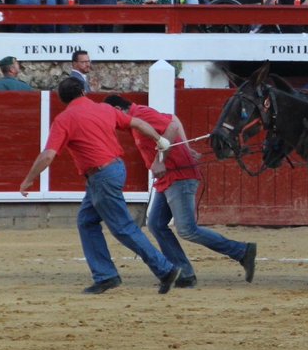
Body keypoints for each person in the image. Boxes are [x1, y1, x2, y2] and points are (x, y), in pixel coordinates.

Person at [18, 77, 181, 295]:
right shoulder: (104, 109)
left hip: (101, 176)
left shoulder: (65, 119)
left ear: (62, 99)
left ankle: (165, 269)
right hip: (113, 170)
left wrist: (29, 179)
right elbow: (139, 123)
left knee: (123, 227)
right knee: (86, 221)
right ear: (83, 92)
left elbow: (48, 155)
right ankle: (106, 276)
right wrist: (160, 140)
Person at [104, 94, 257, 289]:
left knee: (187, 230)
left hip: (180, 176)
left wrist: (159, 160)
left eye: (111, 115)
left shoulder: (141, 114)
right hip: (168, 178)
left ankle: (241, 251)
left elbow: (172, 127)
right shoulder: (138, 116)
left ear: (118, 109)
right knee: (156, 224)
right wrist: (185, 146)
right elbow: (174, 119)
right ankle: (184, 273)